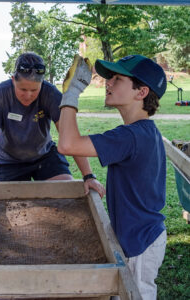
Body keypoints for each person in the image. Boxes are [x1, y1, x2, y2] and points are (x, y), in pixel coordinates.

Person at [58, 54, 167, 300]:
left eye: (117, 79)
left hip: (140, 243)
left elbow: (66, 144)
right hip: (141, 235)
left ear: (141, 92)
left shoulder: (130, 137)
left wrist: (71, 93)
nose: (108, 83)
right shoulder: (143, 131)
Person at [0, 52, 105, 198]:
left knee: (63, 196)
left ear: (42, 83)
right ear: (13, 80)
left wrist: (89, 176)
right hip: (9, 161)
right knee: (20, 207)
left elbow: (70, 137)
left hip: (44, 155)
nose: (28, 95)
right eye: (23, 90)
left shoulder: (51, 93)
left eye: (34, 90)